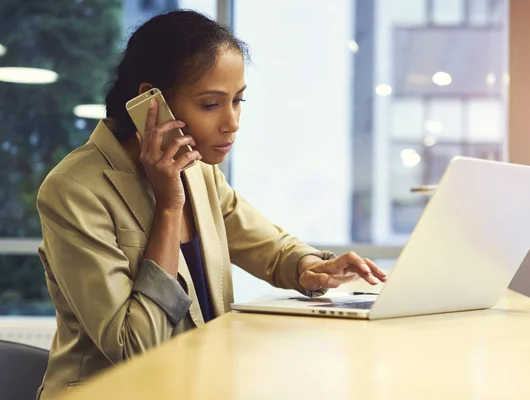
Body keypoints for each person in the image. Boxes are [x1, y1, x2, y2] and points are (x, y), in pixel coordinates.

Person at [35, 10, 387, 399]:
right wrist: (169, 208)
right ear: (150, 102)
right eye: (210, 104)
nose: (232, 122)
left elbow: (269, 248)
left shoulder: (199, 170)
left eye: (238, 101)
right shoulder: (75, 190)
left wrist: (310, 267)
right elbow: (135, 346)